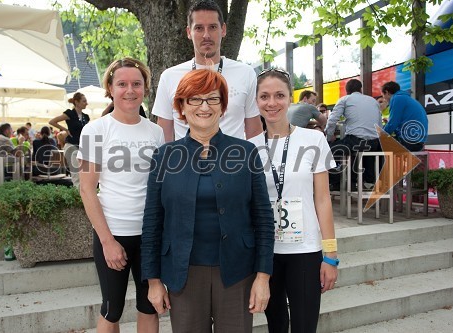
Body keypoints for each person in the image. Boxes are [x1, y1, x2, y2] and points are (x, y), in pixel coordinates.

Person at [141, 69, 274, 333]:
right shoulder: (165, 156)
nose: (204, 106)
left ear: (223, 106)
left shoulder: (245, 152)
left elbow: (263, 218)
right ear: (181, 106)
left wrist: (263, 276)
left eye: (212, 99)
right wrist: (153, 281)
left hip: (237, 272)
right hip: (183, 274)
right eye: (194, 99)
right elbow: (152, 222)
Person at [78, 58, 164, 333]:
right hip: (112, 232)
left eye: (136, 84)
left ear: (145, 89)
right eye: (122, 84)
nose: (130, 90)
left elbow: (160, 188)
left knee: (149, 305)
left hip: (149, 234)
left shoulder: (156, 131)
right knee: (111, 308)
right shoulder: (95, 130)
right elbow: (87, 189)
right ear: (110, 89)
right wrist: (107, 241)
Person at [249, 68, 338, 333]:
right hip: (266, 253)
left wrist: (330, 254)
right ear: (257, 101)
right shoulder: (249, 147)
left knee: (304, 325)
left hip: (305, 250)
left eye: (279, 95)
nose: (272, 102)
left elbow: (323, 199)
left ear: (290, 98)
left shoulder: (314, 139)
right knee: (276, 326)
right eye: (264, 96)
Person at [152, 0, 262, 142]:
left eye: (212, 27)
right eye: (199, 28)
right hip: (186, 162)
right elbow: (163, 137)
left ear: (223, 29)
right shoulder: (169, 77)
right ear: (188, 32)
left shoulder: (245, 73)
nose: (206, 35)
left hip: (233, 162)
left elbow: (254, 132)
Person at [325, 79, 382, 191]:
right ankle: (366, 180)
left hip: (355, 141)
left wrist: (329, 137)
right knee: (359, 151)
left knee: (329, 150)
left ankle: (336, 182)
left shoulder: (345, 99)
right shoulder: (373, 101)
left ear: (347, 91)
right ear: (361, 89)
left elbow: (332, 121)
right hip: (374, 143)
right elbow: (379, 125)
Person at [49, 92, 90, 189]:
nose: (86, 103)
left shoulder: (86, 117)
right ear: (77, 102)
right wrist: (65, 129)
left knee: (85, 173)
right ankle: (78, 196)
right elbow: (52, 121)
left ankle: (83, 196)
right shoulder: (70, 113)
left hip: (82, 147)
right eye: (84, 101)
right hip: (71, 145)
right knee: (76, 174)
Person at [381, 81, 428, 152]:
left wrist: (380, 134)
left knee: (377, 144)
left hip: (408, 140)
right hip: (418, 140)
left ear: (387, 92)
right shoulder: (408, 98)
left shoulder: (396, 98)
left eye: (383, 96)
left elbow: (393, 123)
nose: (384, 99)